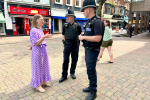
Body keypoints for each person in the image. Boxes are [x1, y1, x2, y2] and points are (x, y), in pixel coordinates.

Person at [78, 0, 105, 100]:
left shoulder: (97, 21)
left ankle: (93, 92)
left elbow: (98, 38)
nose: (83, 12)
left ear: (88, 9)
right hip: (88, 49)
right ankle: (91, 86)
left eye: (83, 10)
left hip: (93, 50)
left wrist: (83, 38)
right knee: (89, 70)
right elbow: (90, 34)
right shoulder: (90, 21)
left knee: (91, 70)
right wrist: (84, 36)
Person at [30, 14, 53, 92]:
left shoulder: (40, 29)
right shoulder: (33, 30)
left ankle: (43, 81)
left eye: (43, 20)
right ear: (36, 20)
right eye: (41, 20)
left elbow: (35, 42)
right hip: (37, 53)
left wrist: (44, 37)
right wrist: (44, 36)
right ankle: (37, 85)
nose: (43, 21)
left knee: (44, 66)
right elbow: (35, 43)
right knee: (37, 68)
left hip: (43, 51)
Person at [59, 8, 82, 83]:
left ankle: (72, 72)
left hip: (75, 45)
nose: (67, 18)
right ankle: (64, 75)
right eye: (66, 16)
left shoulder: (78, 25)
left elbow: (80, 35)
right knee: (65, 60)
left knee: (74, 60)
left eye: (68, 16)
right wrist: (68, 41)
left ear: (73, 17)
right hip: (67, 45)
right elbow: (63, 35)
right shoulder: (65, 25)